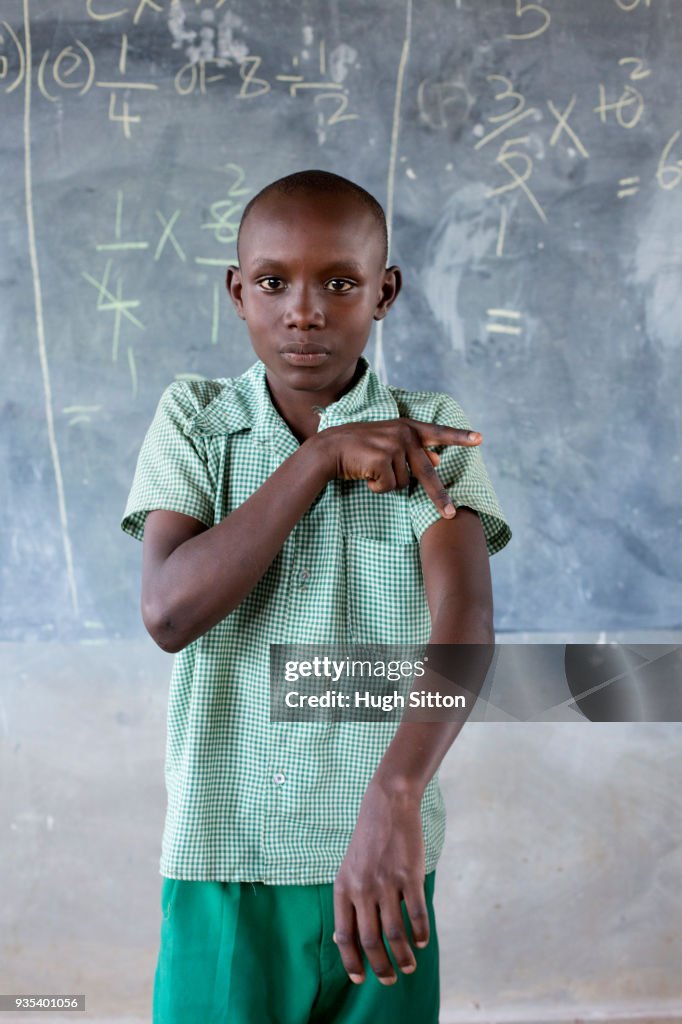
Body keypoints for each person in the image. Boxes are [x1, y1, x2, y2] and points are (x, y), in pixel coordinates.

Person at [121, 169, 511, 1023]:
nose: (305, 310)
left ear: (386, 292)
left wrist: (396, 799)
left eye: (340, 282)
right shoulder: (196, 421)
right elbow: (168, 614)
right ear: (237, 292)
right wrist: (320, 458)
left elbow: (467, 624)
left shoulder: (430, 426)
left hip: (378, 858)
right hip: (226, 854)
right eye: (272, 282)